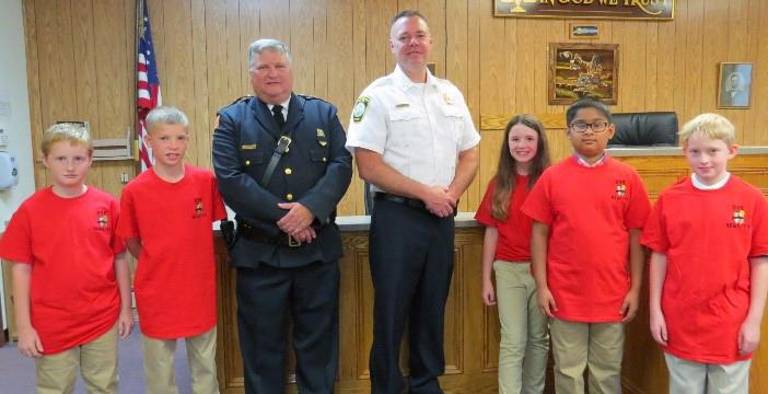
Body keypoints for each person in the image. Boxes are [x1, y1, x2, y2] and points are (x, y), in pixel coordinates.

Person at [345, 10, 481, 394]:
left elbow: (471, 153)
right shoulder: (377, 96)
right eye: (404, 37)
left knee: (432, 304)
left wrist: (451, 194)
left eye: (419, 35)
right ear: (392, 46)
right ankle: (387, 386)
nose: (413, 43)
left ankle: (425, 383)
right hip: (397, 218)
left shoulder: (450, 94)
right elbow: (368, 166)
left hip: (441, 217)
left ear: (431, 41)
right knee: (391, 309)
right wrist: (426, 193)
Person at [212, 38, 352, 394]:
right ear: (250, 74)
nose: (272, 74)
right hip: (261, 258)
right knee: (262, 352)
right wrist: (288, 218)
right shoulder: (232, 120)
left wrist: (309, 211)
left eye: (279, 66)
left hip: (316, 254)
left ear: (291, 70)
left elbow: (341, 165)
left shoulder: (322, 114)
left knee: (318, 349)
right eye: (263, 67)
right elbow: (230, 179)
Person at [521, 98, 651, 394]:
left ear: (610, 130)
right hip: (565, 294)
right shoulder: (552, 177)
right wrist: (542, 286)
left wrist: (634, 289)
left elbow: (636, 238)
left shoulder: (627, 177)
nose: (589, 131)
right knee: (568, 372)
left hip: (613, 294)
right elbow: (538, 235)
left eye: (597, 125)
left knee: (607, 373)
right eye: (581, 125)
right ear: (568, 131)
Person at [0, 123, 132, 392]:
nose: (70, 167)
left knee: (105, 384)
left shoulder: (107, 205)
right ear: (45, 160)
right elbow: (20, 269)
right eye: (61, 159)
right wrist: (23, 326)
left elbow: (119, 258)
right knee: (55, 387)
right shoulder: (30, 211)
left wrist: (126, 308)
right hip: (52, 321)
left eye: (78, 159)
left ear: (90, 160)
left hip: (101, 315)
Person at [642, 113, 768, 394]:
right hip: (681, 319)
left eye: (713, 151)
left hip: (731, 322)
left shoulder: (752, 200)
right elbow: (659, 257)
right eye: (695, 151)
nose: (704, 160)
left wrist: (754, 321)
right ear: (684, 152)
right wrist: (655, 312)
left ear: (732, 151)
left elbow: (760, 262)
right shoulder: (670, 199)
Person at [116, 106, 226, 393]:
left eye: (180, 138)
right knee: (160, 371)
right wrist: (158, 261)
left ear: (188, 139)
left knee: (205, 367)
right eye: (164, 138)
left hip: (198, 290)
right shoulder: (135, 191)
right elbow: (130, 240)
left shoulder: (205, 181)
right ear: (148, 141)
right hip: (157, 292)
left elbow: (215, 227)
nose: (173, 146)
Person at [476, 114, 551, 394]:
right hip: (507, 270)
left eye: (529, 139)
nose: (522, 145)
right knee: (513, 340)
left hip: (543, 273)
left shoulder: (550, 181)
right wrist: (486, 279)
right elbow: (491, 233)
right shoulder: (498, 184)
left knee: (538, 339)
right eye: (515, 139)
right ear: (507, 144)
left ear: (540, 143)